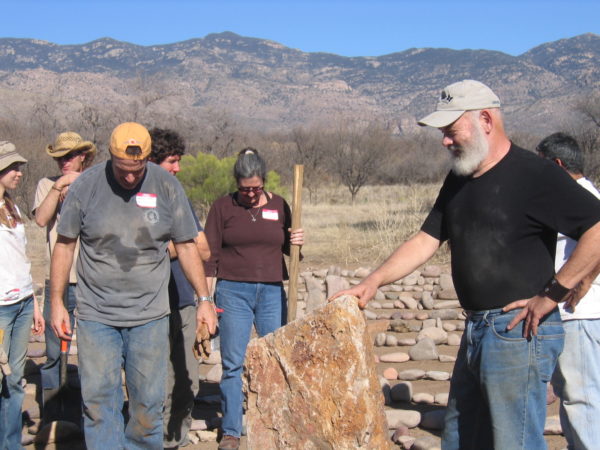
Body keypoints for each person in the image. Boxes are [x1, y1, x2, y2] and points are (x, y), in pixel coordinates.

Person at [330, 80, 600, 449]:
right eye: (442, 133)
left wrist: (553, 293)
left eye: (451, 131)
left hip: (518, 331)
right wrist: (374, 280)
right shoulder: (459, 178)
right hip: (476, 328)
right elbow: (426, 239)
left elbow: (597, 229)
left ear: (486, 120)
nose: (445, 141)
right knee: (459, 438)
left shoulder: (534, 174)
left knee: (513, 442)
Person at [49, 122, 217, 449]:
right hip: (97, 316)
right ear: (110, 157)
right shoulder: (86, 186)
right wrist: (57, 302)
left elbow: (186, 245)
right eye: (122, 169)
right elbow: (65, 244)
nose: (129, 177)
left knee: (147, 406)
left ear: (148, 159)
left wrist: (204, 299)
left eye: (137, 169)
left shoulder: (166, 186)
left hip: (150, 316)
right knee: (98, 404)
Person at [203, 148, 304, 450]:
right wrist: (205, 299)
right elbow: (209, 257)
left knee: (275, 358)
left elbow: (290, 249)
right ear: (236, 183)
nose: (250, 194)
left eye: (256, 188)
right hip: (233, 291)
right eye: (244, 189)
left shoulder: (281, 206)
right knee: (233, 363)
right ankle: (232, 430)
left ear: (264, 182)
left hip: (272, 290)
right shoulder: (223, 208)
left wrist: (297, 241)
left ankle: (275, 422)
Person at [148, 127, 211, 448]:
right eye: (172, 161)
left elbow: (203, 249)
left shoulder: (177, 195)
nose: (178, 168)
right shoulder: (134, 199)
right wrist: (176, 244)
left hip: (184, 301)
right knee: (154, 383)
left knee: (187, 380)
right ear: (153, 161)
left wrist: (166, 246)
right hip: (149, 306)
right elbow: (138, 253)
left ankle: (178, 438)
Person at [536, 132, 600, 449]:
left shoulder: (583, 195)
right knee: (574, 394)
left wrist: (584, 278)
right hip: (569, 312)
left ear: (558, 165)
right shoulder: (574, 196)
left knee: (580, 396)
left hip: (580, 313)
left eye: (542, 166)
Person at [32, 131, 96, 423]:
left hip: (91, 282)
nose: (64, 162)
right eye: (59, 158)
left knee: (92, 352)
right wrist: (58, 188)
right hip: (57, 282)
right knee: (53, 352)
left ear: (83, 156)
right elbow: (41, 219)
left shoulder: (96, 184)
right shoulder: (46, 184)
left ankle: (85, 415)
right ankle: (52, 417)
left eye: (69, 156)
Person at [0, 141, 45, 449]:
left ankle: (10, 442)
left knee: (14, 378)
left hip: (21, 302)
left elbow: (21, 257)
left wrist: (35, 304)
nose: (18, 173)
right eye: (13, 168)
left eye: (18, 167)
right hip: (1, 307)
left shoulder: (11, 206)